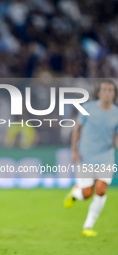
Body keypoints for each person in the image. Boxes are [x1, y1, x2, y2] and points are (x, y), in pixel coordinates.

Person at [64, 80, 118, 237]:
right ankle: (76, 193)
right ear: (99, 93)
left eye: (110, 90)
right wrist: (74, 150)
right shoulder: (87, 109)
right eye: (104, 90)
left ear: (114, 94)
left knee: (101, 190)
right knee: (87, 194)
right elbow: (77, 129)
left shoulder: (116, 113)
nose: (107, 92)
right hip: (86, 155)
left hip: (106, 157)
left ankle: (88, 226)